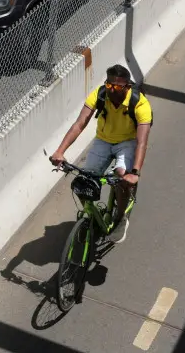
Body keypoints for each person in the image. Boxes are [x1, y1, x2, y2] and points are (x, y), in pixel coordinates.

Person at [49, 64, 151, 242]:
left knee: (121, 176)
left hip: (127, 142)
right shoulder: (100, 94)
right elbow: (79, 124)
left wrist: (134, 173)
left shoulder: (140, 104)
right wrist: (60, 151)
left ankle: (120, 218)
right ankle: (92, 217)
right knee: (83, 182)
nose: (112, 90)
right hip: (103, 140)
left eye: (117, 87)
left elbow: (142, 142)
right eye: (109, 85)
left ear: (127, 86)